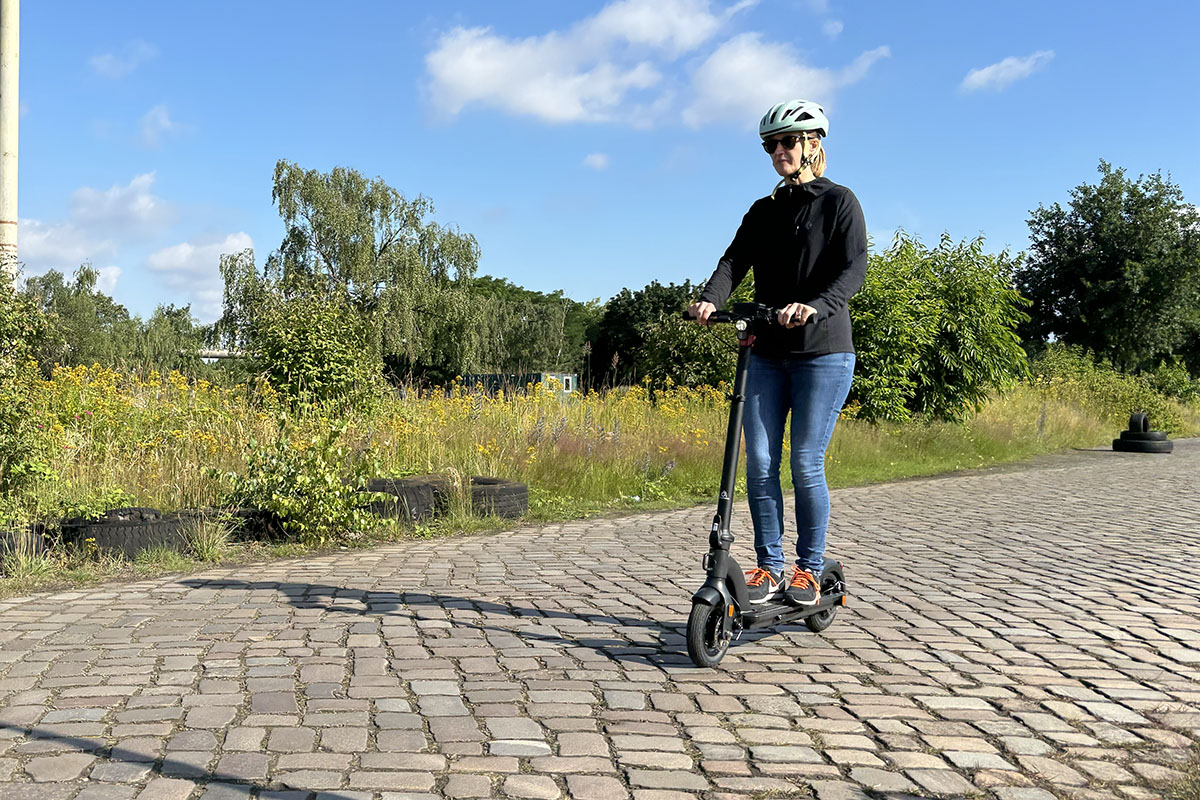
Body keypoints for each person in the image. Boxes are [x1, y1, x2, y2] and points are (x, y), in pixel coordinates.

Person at [687, 99, 867, 607]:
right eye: (771, 145)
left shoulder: (839, 202)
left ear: (814, 145)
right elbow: (733, 260)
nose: (778, 152)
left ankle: (809, 568)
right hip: (766, 351)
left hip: (823, 354)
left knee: (805, 463)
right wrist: (709, 298)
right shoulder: (764, 211)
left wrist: (814, 306)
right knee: (760, 463)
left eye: (788, 142)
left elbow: (853, 269)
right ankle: (769, 567)